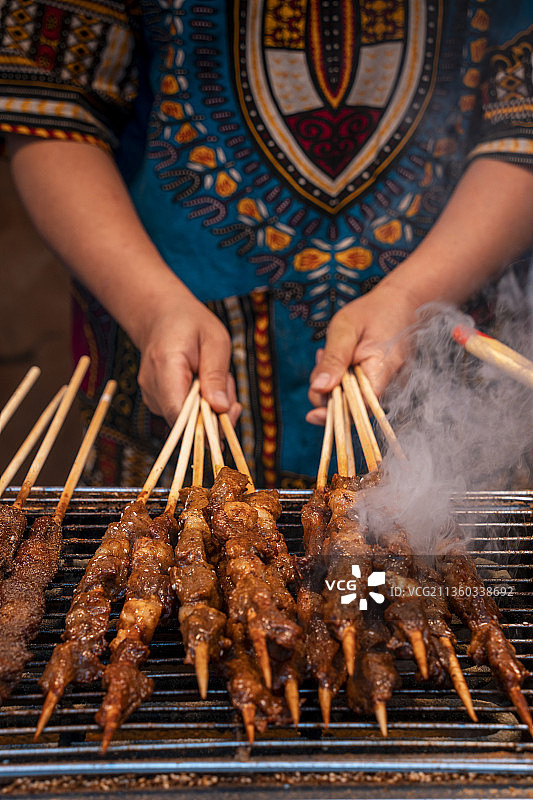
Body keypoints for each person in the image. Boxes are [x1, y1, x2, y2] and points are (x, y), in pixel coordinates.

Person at [1, 1, 533, 487]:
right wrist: (152, 306)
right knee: (172, 537)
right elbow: (48, 99)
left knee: (430, 546)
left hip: (453, 326)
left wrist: (413, 295)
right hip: (160, 305)